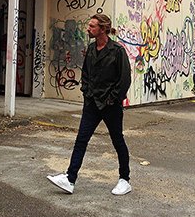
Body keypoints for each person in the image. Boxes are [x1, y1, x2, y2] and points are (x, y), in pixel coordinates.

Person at [47, 13, 132, 195]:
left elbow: (124, 80)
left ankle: (124, 179)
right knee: (81, 140)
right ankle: (70, 179)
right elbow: (85, 73)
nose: (88, 29)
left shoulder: (117, 51)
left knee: (117, 140)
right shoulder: (92, 49)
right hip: (92, 103)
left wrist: (112, 99)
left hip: (110, 105)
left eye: (92, 26)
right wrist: (87, 92)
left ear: (102, 29)